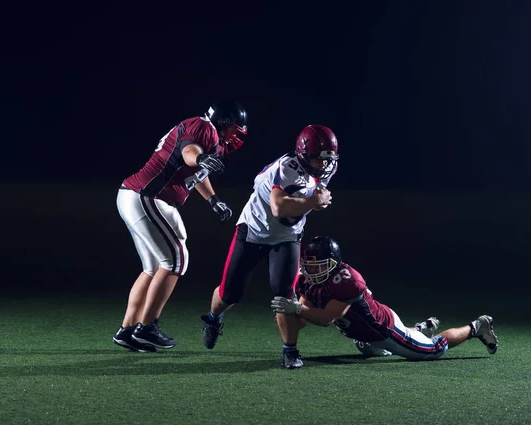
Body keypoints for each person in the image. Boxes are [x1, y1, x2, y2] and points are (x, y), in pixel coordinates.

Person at [113, 100, 248, 352]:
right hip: (148, 196)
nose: (236, 135)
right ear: (224, 122)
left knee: (154, 268)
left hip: (140, 196)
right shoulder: (203, 127)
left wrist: (213, 200)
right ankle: (147, 327)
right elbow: (189, 154)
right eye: (235, 129)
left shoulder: (210, 139)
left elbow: (196, 172)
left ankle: (128, 330)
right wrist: (201, 157)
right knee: (175, 260)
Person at [200, 125, 339, 354]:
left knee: (284, 296)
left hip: (287, 236)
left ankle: (290, 350)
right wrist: (314, 202)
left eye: (327, 159)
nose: (323, 165)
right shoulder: (287, 168)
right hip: (254, 231)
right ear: (303, 155)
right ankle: (214, 318)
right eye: (317, 159)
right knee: (230, 293)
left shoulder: (326, 166)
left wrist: (316, 198)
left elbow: (314, 189)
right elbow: (278, 207)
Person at [271, 236, 499, 369]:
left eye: (318, 266)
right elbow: (304, 318)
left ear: (333, 265)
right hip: (362, 335)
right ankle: (419, 329)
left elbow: (326, 318)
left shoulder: (347, 280)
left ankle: (476, 327)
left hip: (383, 330)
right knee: (369, 351)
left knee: (433, 350)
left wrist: (297, 308)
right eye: (309, 266)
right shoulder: (307, 280)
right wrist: (290, 313)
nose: (311, 271)